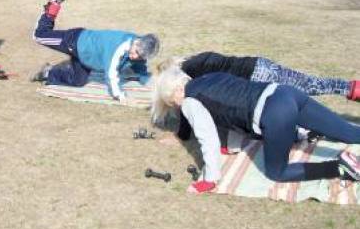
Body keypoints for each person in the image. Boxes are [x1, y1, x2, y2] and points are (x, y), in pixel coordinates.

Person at [152, 67, 360, 194]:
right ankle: (307, 134)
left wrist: (209, 180)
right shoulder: (209, 77)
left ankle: (340, 167)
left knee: (277, 172)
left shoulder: (189, 101)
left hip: (275, 113)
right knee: (350, 132)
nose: (178, 106)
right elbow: (228, 107)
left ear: (179, 90)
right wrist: (232, 147)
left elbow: (208, 139)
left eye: (173, 102)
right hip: (285, 92)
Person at [158, 52, 360, 143]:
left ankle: (314, 127)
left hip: (257, 79)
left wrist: (182, 135)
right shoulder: (196, 60)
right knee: (310, 85)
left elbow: (188, 104)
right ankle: (351, 89)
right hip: (259, 65)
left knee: (303, 94)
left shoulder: (189, 72)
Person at [31, 0, 160, 103]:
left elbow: (140, 65)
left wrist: (145, 78)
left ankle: (48, 72)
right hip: (74, 41)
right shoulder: (119, 47)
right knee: (40, 35)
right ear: (136, 42)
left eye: (139, 55)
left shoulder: (139, 47)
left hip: (86, 57)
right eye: (136, 52)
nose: (135, 56)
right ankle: (54, 3)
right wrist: (119, 95)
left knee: (78, 81)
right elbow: (111, 73)